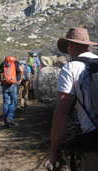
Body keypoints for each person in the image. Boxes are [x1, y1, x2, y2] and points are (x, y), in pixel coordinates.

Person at [49, 27, 98, 171]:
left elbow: (62, 113)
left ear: (70, 45)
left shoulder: (71, 68)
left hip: (93, 142)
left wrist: (54, 149)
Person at [0, 56, 23, 127]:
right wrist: (20, 79)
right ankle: (10, 118)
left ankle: (6, 121)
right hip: (13, 85)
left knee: (5, 103)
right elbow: (21, 70)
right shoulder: (15, 63)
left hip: (5, 85)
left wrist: (1, 81)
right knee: (13, 103)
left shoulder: (3, 63)